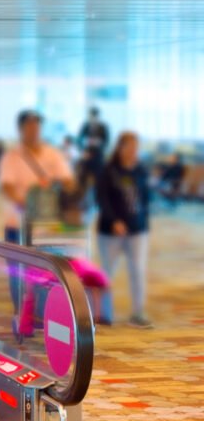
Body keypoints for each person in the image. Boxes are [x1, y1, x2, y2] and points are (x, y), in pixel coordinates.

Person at [0, 111, 74, 313]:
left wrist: (57, 186)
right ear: (20, 129)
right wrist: (25, 202)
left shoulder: (53, 154)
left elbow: (67, 181)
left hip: (47, 225)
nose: (33, 131)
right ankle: (20, 312)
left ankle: (43, 313)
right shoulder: (12, 157)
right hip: (18, 224)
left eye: (36, 127)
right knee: (17, 271)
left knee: (47, 271)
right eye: (29, 127)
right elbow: (7, 186)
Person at [97, 132, 152, 328]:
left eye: (135, 148)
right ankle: (104, 313)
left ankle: (138, 313)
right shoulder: (108, 171)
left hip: (137, 230)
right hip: (111, 231)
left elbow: (146, 197)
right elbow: (102, 199)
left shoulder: (141, 170)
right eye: (129, 147)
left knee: (138, 270)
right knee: (108, 271)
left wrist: (143, 220)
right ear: (119, 148)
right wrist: (114, 220)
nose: (132, 151)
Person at [78, 107, 110, 190]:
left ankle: (99, 194)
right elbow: (79, 140)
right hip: (87, 154)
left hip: (98, 155)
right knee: (82, 177)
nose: (92, 119)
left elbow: (107, 141)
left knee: (99, 178)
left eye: (94, 117)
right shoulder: (85, 126)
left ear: (98, 117)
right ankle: (81, 194)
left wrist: (98, 143)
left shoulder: (103, 127)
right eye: (91, 117)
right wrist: (84, 146)